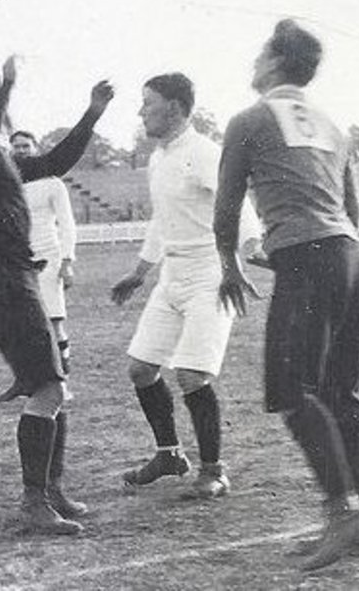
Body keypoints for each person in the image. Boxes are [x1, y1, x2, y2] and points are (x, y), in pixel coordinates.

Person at [215, 20, 359, 570]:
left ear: (274, 62)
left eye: (260, 52)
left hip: (308, 261)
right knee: (340, 395)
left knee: (291, 390)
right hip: (348, 257)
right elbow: (351, 211)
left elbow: (226, 204)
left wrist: (229, 260)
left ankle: (344, 514)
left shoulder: (248, 120)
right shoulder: (334, 126)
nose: (253, 61)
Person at [0, 56, 113, 535]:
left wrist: (92, 114)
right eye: (1, 103)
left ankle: (52, 490)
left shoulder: (4, 159)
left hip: (12, 280)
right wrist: (6, 84)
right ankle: (34, 502)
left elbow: (55, 163)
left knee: (54, 385)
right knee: (49, 387)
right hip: (0, 281)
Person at [110, 74, 262, 500]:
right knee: (141, 369)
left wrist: (249, 251)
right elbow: (163, 221)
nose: (141, 112)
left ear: (175, 107)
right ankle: (169, 455)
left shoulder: (206, 152)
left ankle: (214, 471)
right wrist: (139, 273)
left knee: (193, 374)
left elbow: (238, 207)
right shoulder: (158, 158)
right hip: (171, 276)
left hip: (211, 274)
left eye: (148, 103)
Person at [0, 129, 79, 403]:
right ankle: (24, 381)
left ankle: (62, 383)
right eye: (16, 147)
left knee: (53, 322)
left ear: (36, 148)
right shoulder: (8, 184)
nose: (21, 151)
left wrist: (67, 261)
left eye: (26, 146)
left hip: (49, 257)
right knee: (19, 325)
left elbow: (67, 224)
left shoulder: (53, 183)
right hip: (18, 261)